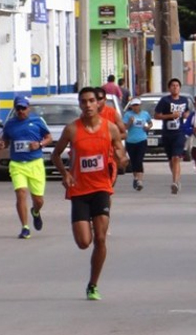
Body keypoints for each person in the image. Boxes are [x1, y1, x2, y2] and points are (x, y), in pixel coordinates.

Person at [51, 87, 129, 301]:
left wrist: (122, 160)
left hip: (102, 188)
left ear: (98, 103)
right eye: (83, 101)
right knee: (84, 242)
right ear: (80, 104)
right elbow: (55, 155)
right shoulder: (72, 130)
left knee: (101, 239)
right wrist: (65, 173)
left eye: (91, 101)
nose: (87, 105)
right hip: (79, 190)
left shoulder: (110, 128)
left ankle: (93, 284)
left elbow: (119, 150)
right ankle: (90, 227)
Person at [0, 96, 52, 239]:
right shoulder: (10, 124)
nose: (21, 111)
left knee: (38, 199)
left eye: (23, 108)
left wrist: (39, 144)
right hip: (17, 164)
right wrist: (3, 143)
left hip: (35, 163)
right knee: (21, 193)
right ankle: (25, 227)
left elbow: (49, 137)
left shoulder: (37, 121)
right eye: (18, 108)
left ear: (28, 108)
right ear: (15, 109)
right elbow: (6, 140)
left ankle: (35, 211)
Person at [154, 79, 190, 194]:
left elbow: (187, 111)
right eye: (173, 86)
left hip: (179, 133)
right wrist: (170, 115)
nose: (175, 87)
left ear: (180, 88)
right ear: (169, 88)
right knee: (171, 159)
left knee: (176, 158)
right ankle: (177, 179)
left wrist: (186, 114)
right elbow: (156, 116)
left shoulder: (184, 100)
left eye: (177, 85)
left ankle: (174, 182)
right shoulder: (164, 101)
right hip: (167, 133)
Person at [122, 98, 152, 190]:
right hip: (131, 141)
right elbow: (124, 127)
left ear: (140, 105)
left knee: (139, 159)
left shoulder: (145, 114)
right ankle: (135, 177)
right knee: (134, 161)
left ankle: (140, 180)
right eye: (134, 105)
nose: (135, 107)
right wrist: (130, 122)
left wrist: (148, 128)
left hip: (142, 140)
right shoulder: (128, 115)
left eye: (137, 105)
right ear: (131, 106)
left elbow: (150, 123)